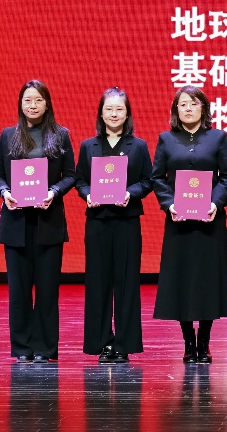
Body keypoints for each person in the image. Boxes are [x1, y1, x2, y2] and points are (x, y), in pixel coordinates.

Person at [151, 86, 227, 363]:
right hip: (178, 221)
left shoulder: (217, 138)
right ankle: (188, 343)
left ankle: (204, 341)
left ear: (203, 108)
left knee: (206, 281)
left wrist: (215, 203)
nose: (188, 108)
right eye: (182, 104)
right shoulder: (166, 139)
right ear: (176, 110)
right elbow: (157, 178)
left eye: (193, 103)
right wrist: (170, 204)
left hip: (209, 222)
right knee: (181, 279)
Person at [0, 79, 76, 363]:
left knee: (47, 291)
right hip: (16, 223)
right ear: (20, 104)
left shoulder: (60, 135)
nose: (33, 105)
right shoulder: (8, 135)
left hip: (48, 222)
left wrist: (53, 192)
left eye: (38, 100)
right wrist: (5, 192)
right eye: (28, 100)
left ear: (47, 104)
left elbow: (70, 175)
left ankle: (45, 349)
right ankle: (22, 348)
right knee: (19, 292)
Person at [75, 87, 154, 364]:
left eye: (119, 109)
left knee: (126, 283)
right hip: (97, 222)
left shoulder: (138, 146)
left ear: (127, 113)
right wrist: (88, 195)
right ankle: (101, 342)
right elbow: (80, 180)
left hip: (126, 221)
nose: (114, 114)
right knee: (97, 283)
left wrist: (130, 193)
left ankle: (123, 343)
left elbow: (148, 181)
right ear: (100, 113)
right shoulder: (88, 146)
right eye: (109, 109)